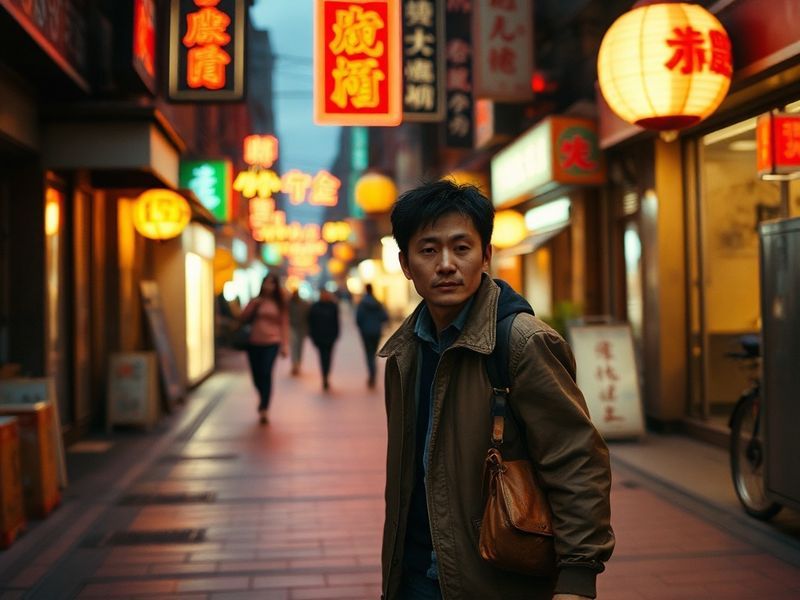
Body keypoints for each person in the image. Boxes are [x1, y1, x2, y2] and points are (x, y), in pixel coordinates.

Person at [376, 180, 614, 600]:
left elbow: (576, 460)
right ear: (406, 264)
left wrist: (578, 577)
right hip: (414, 577)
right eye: (428, 250)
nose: (446, 264)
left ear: (486, 255)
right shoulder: (404, 352)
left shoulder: (523, 342)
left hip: (497, 578)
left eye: (462, 248)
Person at [240, 273, 288, 424]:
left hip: (272, 342)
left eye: (272, 283)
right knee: (256, 375)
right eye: (266, 283)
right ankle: (262, 396)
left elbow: (284, 324)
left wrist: (284, 345)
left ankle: (265, 407)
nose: (269, 286)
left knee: (266, 372)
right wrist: (254, 305)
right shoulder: (255, 301)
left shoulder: (279, 304)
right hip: (254, 342)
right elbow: (242, 317)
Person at [355, 283, 389, 388]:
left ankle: (371, 374)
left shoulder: (362, 303)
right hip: (376, 332)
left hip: (366, 332)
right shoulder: (378, 303)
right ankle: (373, 373)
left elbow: (358, 318)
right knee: (373, 353)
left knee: (368, 354)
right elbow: (385, 317)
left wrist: (362, 327)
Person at [307, 289, 340, 391]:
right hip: (319, 338)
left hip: (330, 337)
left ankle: (326, 375)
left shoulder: (333, 306)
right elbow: (311, 322)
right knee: (322, 357)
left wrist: (335, 335)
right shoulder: (315, 307)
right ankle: (324, 376)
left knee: (328, 357)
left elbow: (336, 322)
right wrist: (312, 336)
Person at [287, 289, 310, 376]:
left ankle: (298, 364)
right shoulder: (288, 304)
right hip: (292, 327)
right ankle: (295, 364)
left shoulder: (304, 304)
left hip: (301, 328)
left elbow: (308, 317)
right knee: (294, 346)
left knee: (299, 347)